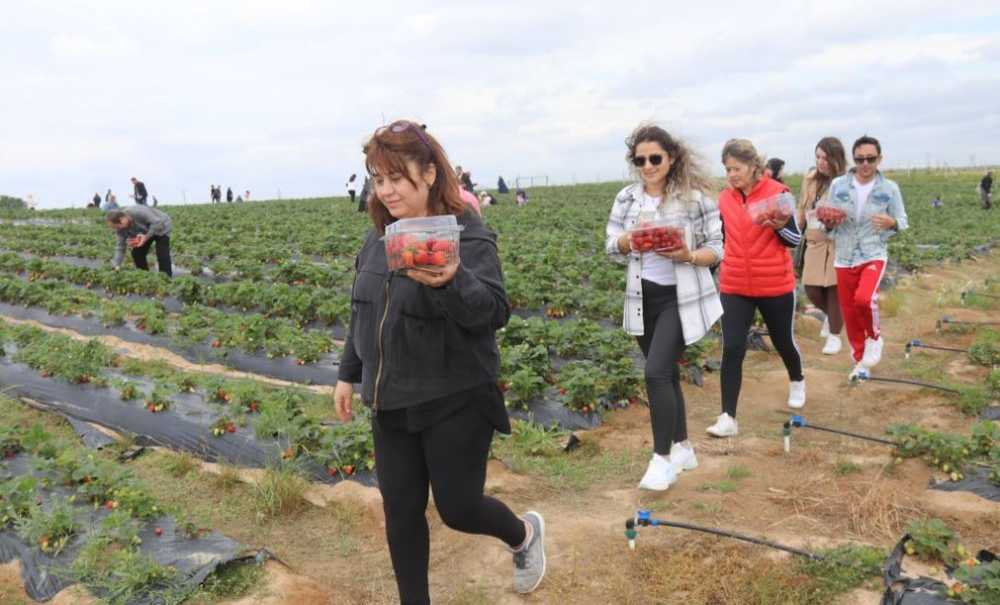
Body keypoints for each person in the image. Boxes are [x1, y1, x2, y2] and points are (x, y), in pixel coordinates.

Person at [333, 119, 545, 602]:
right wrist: (349, 374)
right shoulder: (377, 239)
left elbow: (493, 312)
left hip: (455, 394)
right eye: (377, 178)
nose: (385, 190)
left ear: (428, 173)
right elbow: (364, 310)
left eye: (395, 177)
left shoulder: (466, 235)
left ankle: (524, 536)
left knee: (458, 508)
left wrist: (453, 279)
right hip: (391, 400)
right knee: (401, 512)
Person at [605, 125, 723, 490]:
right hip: (643, 297)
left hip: (680, 297)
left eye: (655, 158)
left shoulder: (694, 200)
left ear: (671, 158)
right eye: (640, 160)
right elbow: (610, 247)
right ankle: (683, 446)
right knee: (667, 373)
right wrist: (628, 241)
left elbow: (717, 249)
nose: (648, 165)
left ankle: (662, 460)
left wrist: (686, 254)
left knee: (655, 372)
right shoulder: (627, 199)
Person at [707, 139, 805, 439]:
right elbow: (719, 239)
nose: (732, 175)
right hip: (735, 283)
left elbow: (794, 240)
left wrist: (776, 225)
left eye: (737, 168)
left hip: (774, 283)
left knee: (782, 340)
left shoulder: (779, 193)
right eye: (727, 169)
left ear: (754, 167)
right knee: (733, 347)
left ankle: (797, 379)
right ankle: (728, 417)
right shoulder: (725, 199)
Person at [817, 135, 908, 380]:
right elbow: (829, 222)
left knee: (864, 299)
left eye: (870, 158)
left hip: (873, 252)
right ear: (854, 159)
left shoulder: (890, 189)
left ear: (879, 159)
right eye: (860, 159)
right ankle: (859, 362)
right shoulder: (838, 185)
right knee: (849, 311)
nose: (865, 164)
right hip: (844, 254)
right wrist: (827, 221)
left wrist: (892, 223)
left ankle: (875, 338)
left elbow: (902, 221)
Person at [797, 137, 847, 355]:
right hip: (814, 241)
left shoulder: (846, 182)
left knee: (834, 289)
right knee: (812, 289)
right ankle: (834, 317)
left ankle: (835, 336)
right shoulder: (809, 180)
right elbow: (802, 207)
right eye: (818, 157)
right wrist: (793, 229)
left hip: (838, 241)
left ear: (836, 159)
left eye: (826, 158)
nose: (821, 162)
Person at [106, 206, 173, 277]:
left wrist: (146, 237)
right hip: (145, 231)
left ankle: (166, 278)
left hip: (162, 225)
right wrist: (116, 264)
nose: (117, 229)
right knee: (137, 253)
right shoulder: (120, 229)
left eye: (117, 227)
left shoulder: (138, 212)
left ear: (122, 219)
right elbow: (120, 247)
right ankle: (145, 276)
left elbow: (158, 223)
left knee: (162, 252)